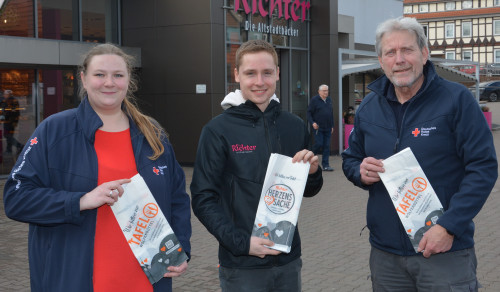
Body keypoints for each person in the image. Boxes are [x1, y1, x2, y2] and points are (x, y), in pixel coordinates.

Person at [3, 43, 192, 292]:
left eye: (118, 75)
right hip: (75, 280)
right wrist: (81, 200)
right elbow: (16, 198)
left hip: (146, 282)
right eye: (100, 74)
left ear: (129, 81)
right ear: (83, 78)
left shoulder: (152, 132)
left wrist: (181, 249)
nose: (109, 83)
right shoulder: (54, 130)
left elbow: (177, 197)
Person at [342, 17, 497, 291]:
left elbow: (483, 168)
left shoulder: (457, 100)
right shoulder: (368, 107)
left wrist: (449, 227)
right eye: (391, 52)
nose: (399, 59)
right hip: (386, 255)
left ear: (424, 54)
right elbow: (351, 158)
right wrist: (359, 172)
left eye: (408, 50)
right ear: (381, 60)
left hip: (444, 251)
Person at [190, 39, 323, 292]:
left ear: (278, 74)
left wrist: (313, 172)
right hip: (242, 264)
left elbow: (309, 190)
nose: (259, 82)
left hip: (288, 260)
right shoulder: (218, 130)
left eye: (267, 73)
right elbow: (202, 198)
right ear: (237, 74)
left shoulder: (294, 125)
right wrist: (241, 243)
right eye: (251, 73)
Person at [307, 84, 334, 171]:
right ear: (319, 92)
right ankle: (308, 157)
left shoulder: (329, 100)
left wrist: (332, 125)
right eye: (324, 91)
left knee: (326, 146)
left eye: (327, 90)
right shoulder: (314, 100)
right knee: (319, 144)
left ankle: (326, 165)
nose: (326, 92)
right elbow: (309, 113)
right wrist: (312, 123)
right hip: (318, 127)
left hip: (328, 128)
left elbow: (331, 113)